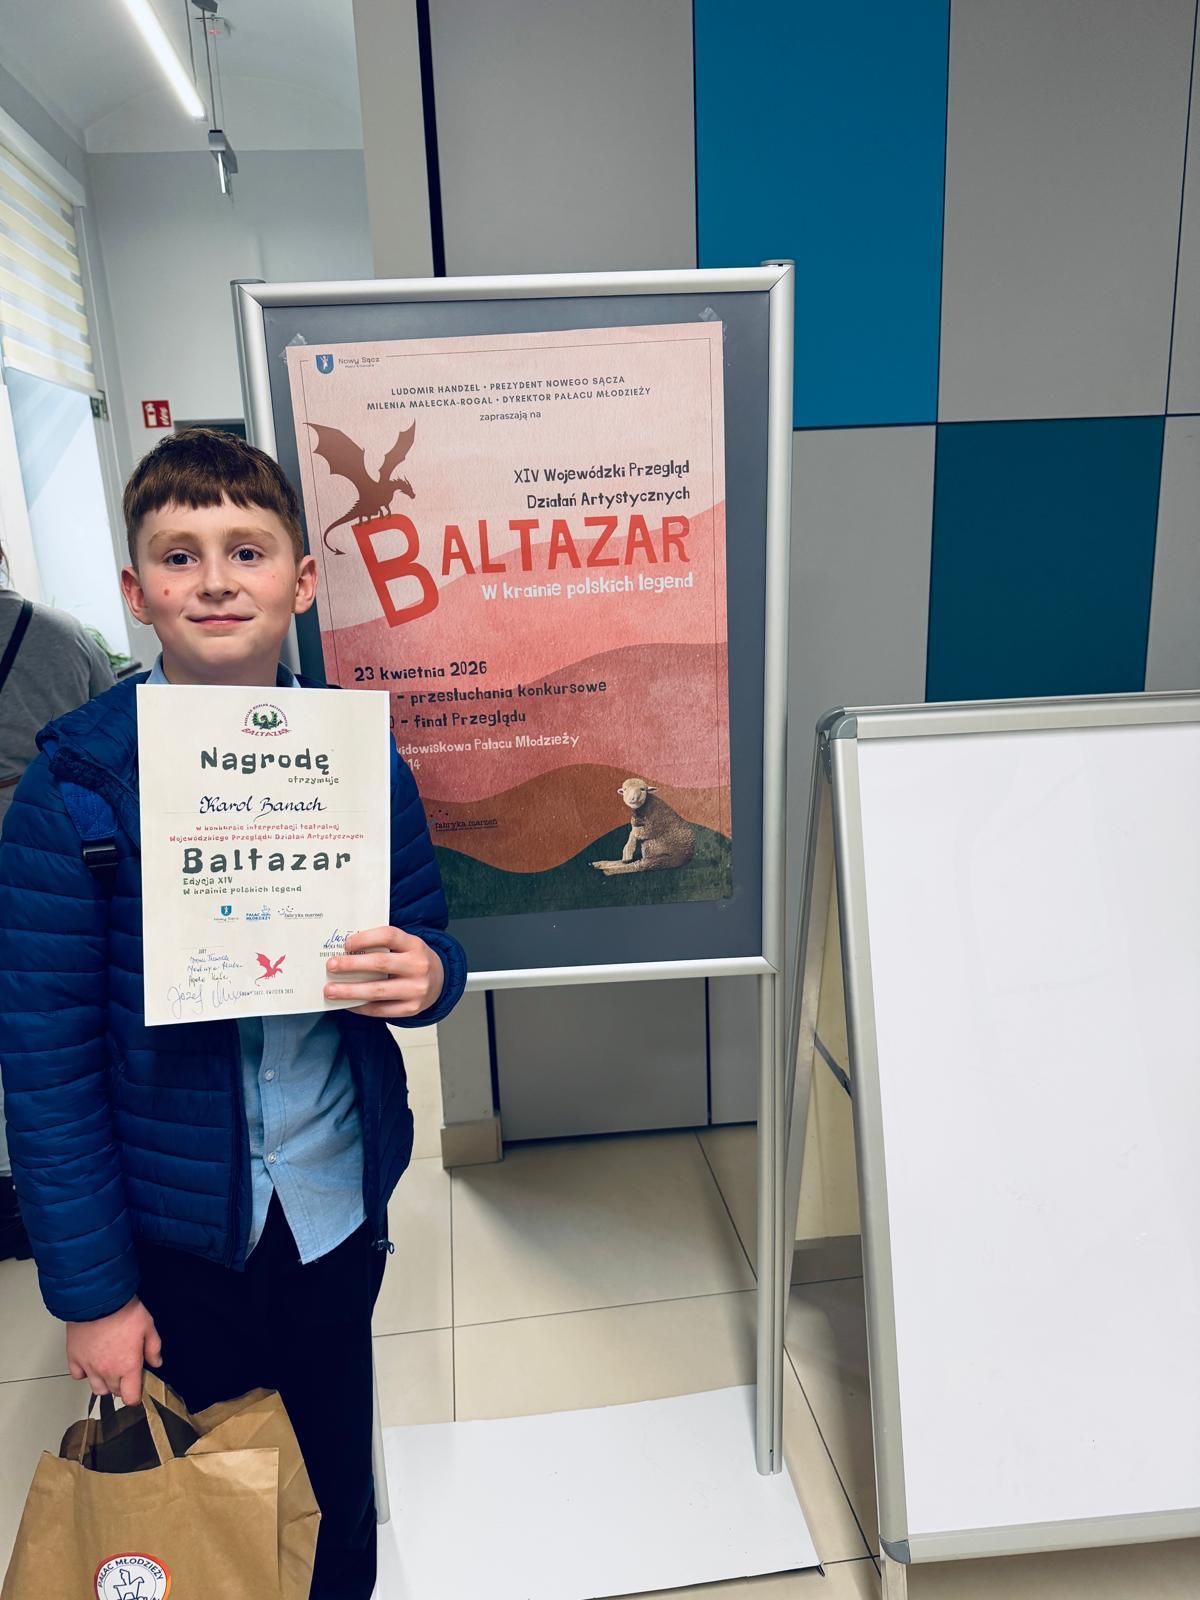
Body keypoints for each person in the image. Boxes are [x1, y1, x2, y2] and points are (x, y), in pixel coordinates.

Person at [0, 430, 467, 1599]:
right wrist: (94, 1295)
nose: (215, 581)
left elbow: (426, 934)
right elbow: (47, 1066)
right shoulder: (75, 789)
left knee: (332, 1476)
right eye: (180, 556)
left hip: (330, 1201)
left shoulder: (356, 760)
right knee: (207, 1498)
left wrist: (430, 974)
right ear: (135, 591)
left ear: (302, 581)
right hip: (174, 1232)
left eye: (246, 551)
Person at [0, 543, 115, 1263]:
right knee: (56, 1023)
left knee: (35, 1038)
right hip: (59, 850)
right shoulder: (59, 634)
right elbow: (110, 735)